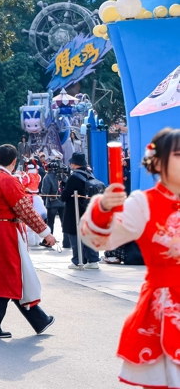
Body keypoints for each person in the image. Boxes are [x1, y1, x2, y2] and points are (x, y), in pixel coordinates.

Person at [80, 128, 180, 388]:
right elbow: (101, 240)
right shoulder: (144, 203)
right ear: (157, 162)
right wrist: (104, 208)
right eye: (179, 155)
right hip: (166, 307)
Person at [0, 144, 56, 339]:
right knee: (13, 276)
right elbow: (25, 210)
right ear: (14, 161)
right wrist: (46, 233)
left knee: (6, 276)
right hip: (7, 231)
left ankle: (38, 320)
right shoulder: (9, 180)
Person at [62, 152, 101, 270]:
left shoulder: (74, 177)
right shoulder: (90, 175)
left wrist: (63, 188)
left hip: (75, 211)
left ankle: (77, 260)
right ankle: (93, 260)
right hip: (89, 210)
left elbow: (64, 196)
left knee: (75, 235)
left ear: (74, 164)